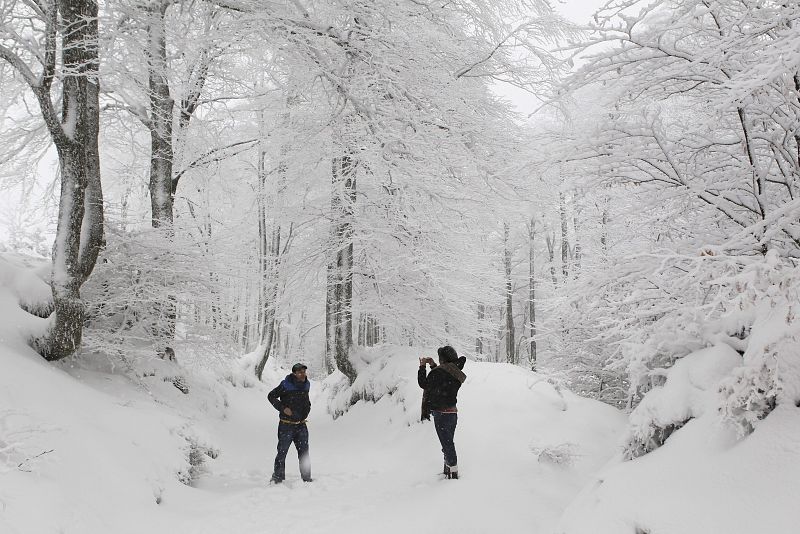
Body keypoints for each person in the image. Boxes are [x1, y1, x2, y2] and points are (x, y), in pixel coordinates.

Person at [418, 346, 467, 479]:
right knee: (448, 441)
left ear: (443, 359)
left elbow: (425, 383)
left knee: (447, 443)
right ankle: (448, 469)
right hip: (452, 412)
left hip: (440, 413)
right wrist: (433, 365)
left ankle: (453, 472)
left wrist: (422, 367)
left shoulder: (439, 373)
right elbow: (441, 379)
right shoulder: (455, 371)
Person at [268, 363, 312, 483]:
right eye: (299, 372)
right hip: (286, 425)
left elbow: (306, 400)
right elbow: (271, 396)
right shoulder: (285, 385)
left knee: (304, 453)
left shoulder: (307, 384)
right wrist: (283, 408)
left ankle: (307, 478)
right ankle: (277, 478)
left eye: (304, 371)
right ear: (294, 374)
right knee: (282, 452)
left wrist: (308, 407)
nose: (302, 374)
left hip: (301, 425)